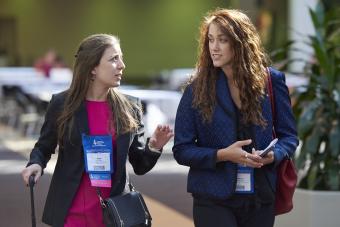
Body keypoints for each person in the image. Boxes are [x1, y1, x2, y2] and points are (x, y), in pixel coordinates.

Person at [22, 34, 174, 227]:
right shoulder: (62, 104)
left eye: (121, 58)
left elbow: (139, 165)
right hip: (71, 212)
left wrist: (154, 147)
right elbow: (44, 146)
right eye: (113, 59)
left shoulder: (131, 107)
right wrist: (36, 163)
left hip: (114, 214)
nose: (122, 65)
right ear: (92, 67)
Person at [172, 9, 298, 227]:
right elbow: (181, 149)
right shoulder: (197, 88)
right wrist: (223, 155)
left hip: (260, 196)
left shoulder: (271, 81)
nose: (214, 47)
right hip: (212, 197)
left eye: (222, 40)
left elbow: (289, 137)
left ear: (240, 43)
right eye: (210, 40)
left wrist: (273, 156)